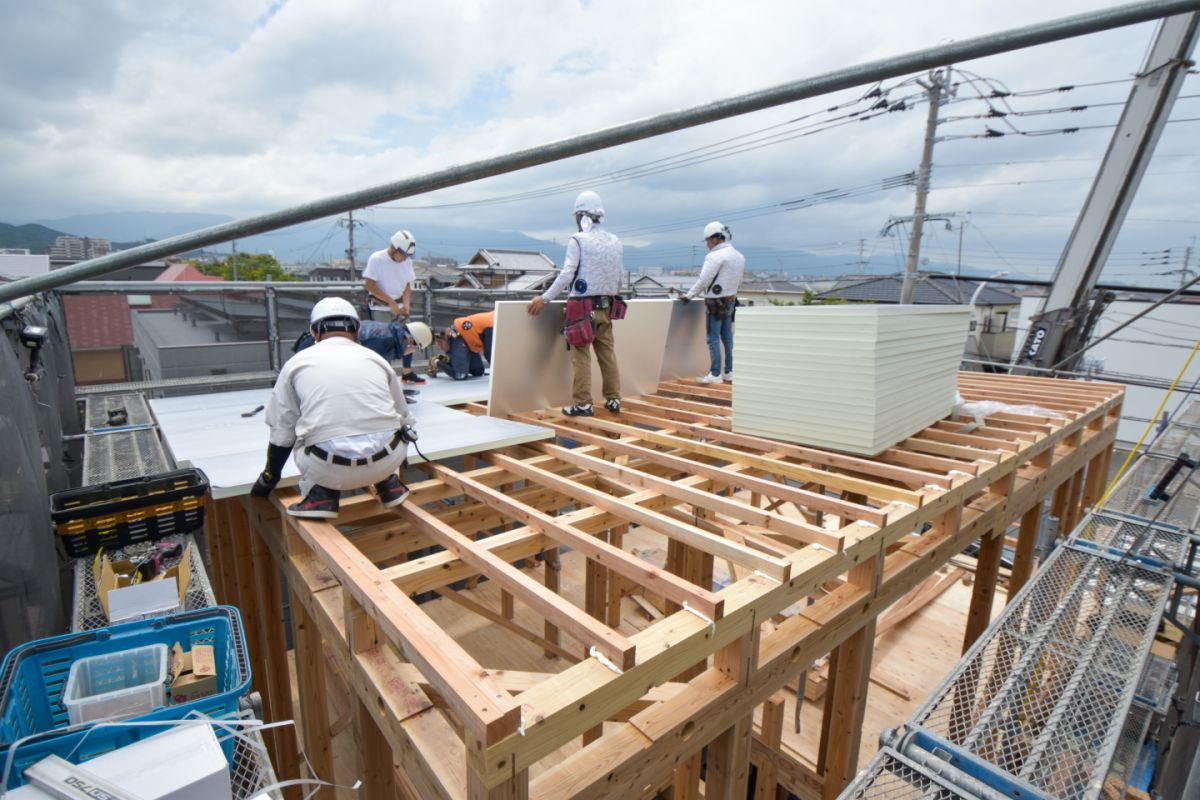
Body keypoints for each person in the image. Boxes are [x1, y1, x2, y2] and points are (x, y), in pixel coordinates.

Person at [251, 297, 416, 519]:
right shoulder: (376, 359)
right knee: (388, 424)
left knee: (299, 430)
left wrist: (269, 478)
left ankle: (322, 496)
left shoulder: (296, 363)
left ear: (314, 333)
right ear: (357, 331)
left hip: (326, 468)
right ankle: (389, 485)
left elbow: (282, 433)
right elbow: (403, 416)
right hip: (388, 460)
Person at [527, 191, 624, 416]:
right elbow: (619, 276)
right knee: (607, 353)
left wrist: (544, 298)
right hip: (607, 305)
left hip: (582, 308)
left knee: (581, 356)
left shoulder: (578, 240)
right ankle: (613, 399)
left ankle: (583, 403)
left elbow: (567, 274)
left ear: (580, 215)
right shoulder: (615, 241)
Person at [682, 221, 745, 384]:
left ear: (716, 238)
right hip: (730, 301)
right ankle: (729, 372)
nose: (707, 245)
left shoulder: (715, 256)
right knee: (728, 337)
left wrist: (689, 295)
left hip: (715, 304)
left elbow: (704, 280)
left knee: (713, 338)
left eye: (708, 241)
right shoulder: (739, 256)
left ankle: (715, 373)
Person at [362, 229, 424, 384]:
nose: (405, 259)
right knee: (384, 341)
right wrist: (390, 302)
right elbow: (369, 284)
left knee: (409, 338)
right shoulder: (377, 259)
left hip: (399, 304)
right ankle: (383, 376)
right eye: (403, 255)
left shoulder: (406, 262)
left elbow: (407, 285)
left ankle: (407, 372)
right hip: (380, 306)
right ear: (395, 249)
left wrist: (406, 304)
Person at [293, 318, 433, 364]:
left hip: (316, 349)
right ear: (411, 341)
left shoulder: (389, 335)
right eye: (415, 348)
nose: (412, 351)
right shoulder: (385, 342)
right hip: (314, 353)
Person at [431, 310, 493, 380]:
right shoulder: (458, 335)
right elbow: (478, 371)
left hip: (492, 325)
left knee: (492, 356)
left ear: (446, 335)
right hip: (493, 321)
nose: (438, 345)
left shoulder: (457, 341)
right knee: (478, 370)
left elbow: (460, 375)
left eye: (439, 342)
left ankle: (503, 380)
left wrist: (437, 363)